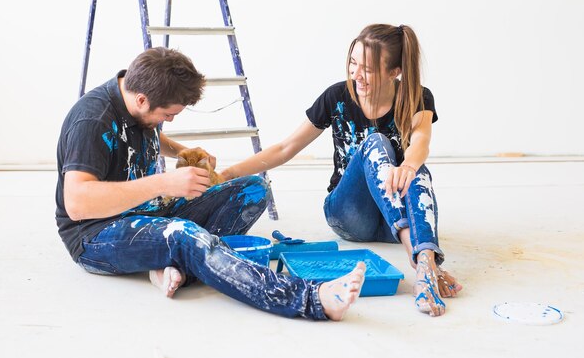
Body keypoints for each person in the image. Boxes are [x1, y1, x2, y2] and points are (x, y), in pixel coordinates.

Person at [55, 47, 366, 321]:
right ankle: (310, 299)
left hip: (144, 213)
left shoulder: (136, 103)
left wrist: (180, 151)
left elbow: (143, 131)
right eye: (168, 114)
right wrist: (163, 183)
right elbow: (78, 202)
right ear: (141, 98)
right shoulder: (92, 120)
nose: (171, 120)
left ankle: (171, 263)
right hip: (95, 234)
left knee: (252, 190)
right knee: (183, 234)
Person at [221, 24, 463, 317]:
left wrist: (409, 165)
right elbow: (286, 148)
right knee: (375, 143)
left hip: (393, 223)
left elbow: (421, 140)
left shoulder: (417, 97)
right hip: (350, 216)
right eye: (353, 63)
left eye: (369, 69)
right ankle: (425, 260)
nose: (356, 74)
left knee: (417, 170)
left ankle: (426, 263)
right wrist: (228, 173)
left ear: (394, 71)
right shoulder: (337, 97)